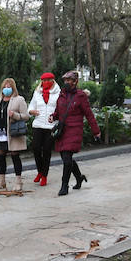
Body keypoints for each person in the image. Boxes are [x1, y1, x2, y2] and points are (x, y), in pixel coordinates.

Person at [51, 69, 99, 197]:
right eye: (65, 80)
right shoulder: (61, 94)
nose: (66, 82)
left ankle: (64, 186)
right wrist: (53, 116)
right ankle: (79, 177)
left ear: (75, 81)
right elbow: (58, 111)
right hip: (62, 130)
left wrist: (96, 131)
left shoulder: (80, 96)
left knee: (67, 159)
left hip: (74, 130)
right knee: (67, 159)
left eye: (69, 80)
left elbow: (89, 114)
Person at [0, 77, 30, 192]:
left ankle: (18, 181)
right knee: (1, 156)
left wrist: (15, 115)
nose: (6, 89)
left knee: (15, 156)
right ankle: (1, 181)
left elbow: (26, 116)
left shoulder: (19, 100)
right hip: (1, 133)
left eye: (9, 87)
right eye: (5, 87)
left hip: (13, 133)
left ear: (13, 88)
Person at [27, 71, 58, 186]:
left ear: (52, 81)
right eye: (44, 81)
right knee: (35, 148)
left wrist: (55, 117)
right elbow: (31, 106)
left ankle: (44, 175)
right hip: (38, 124)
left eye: (48, 81)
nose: (45, 83)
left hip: (50, 126)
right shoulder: (37, 93)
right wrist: (31, 111)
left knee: (46, 151)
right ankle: (39, 171)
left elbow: (60, 109)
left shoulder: (58, 93)